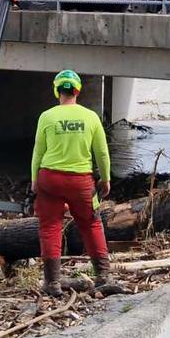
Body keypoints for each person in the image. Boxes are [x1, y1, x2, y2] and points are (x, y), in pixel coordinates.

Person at [31, 69, 115, 297]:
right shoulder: (91, 117)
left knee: (50, 227)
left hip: (49, 178)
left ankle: (52, 283)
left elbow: (38, 153)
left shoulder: (47, 116)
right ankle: (103, 276)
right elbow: (102, 153)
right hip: (80, 181)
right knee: (91, 224)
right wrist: (105, 179)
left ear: (57, 90)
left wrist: (34, 181)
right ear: (78, 90)